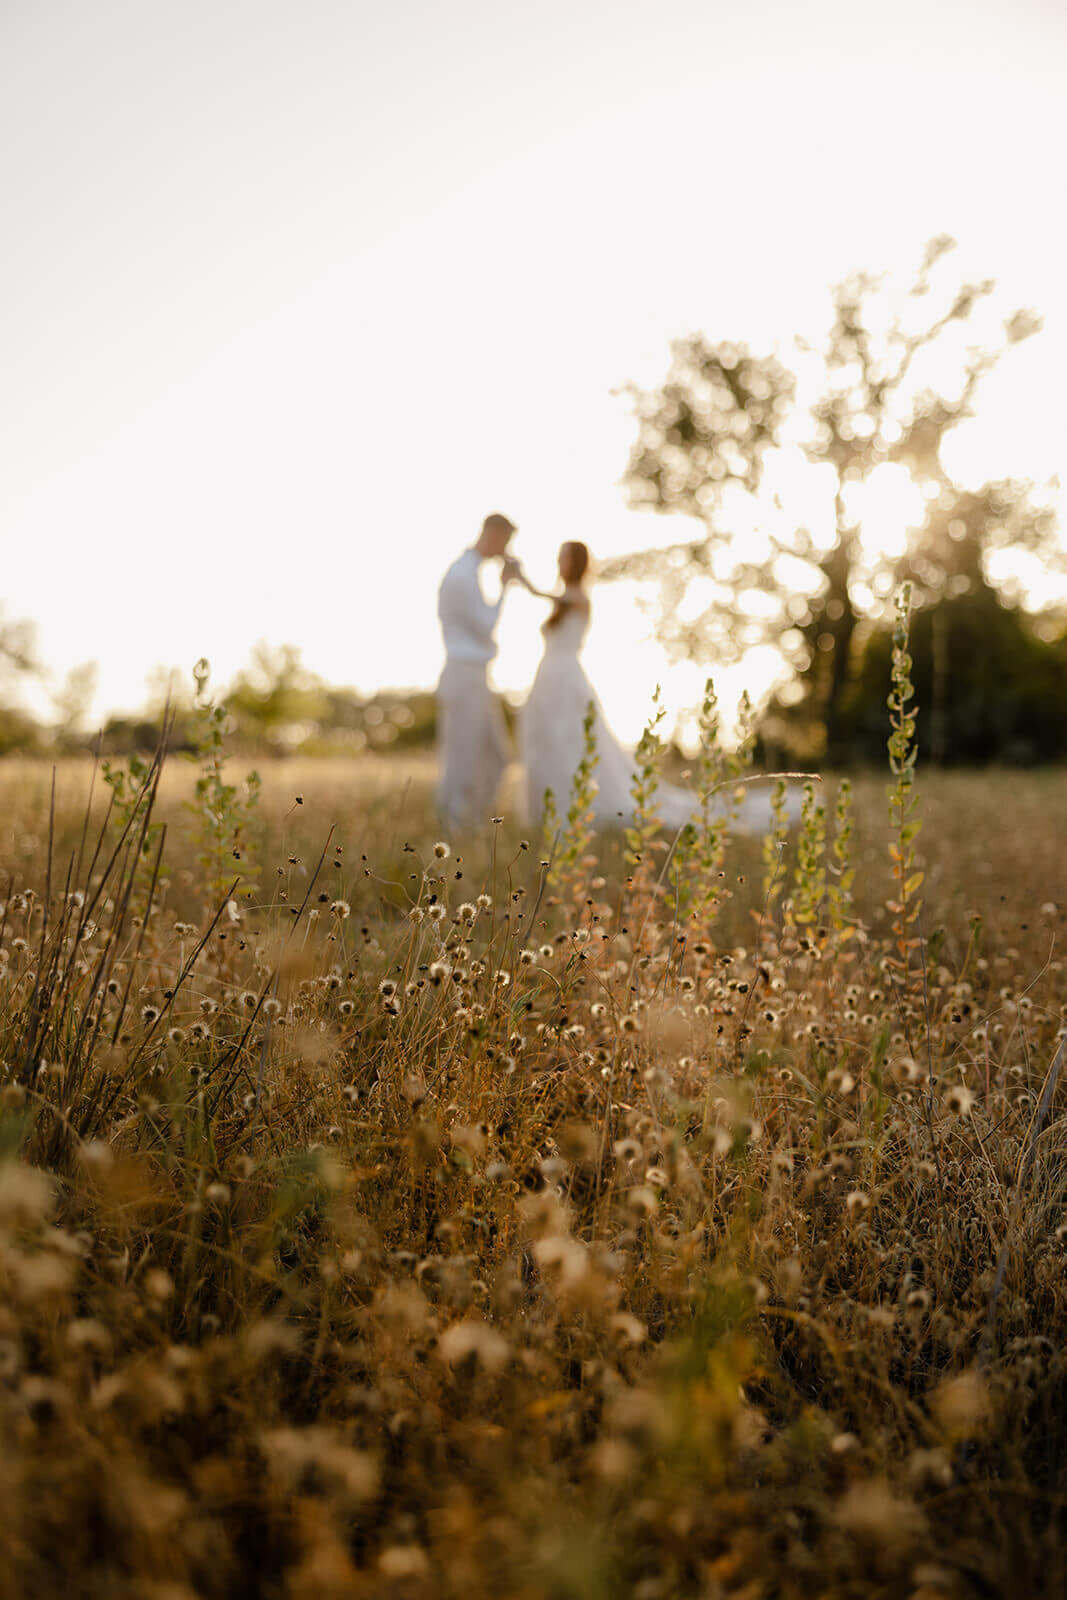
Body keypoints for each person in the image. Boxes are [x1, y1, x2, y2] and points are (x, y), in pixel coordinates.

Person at [518, 541, 794, 832]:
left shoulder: (578, 598)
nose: (559, 563)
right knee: (549, 741)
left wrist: (522, 580)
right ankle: (548, 811)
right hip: (547, 677)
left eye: (564, 557)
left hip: (566, 678)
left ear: (576, 562)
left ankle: (577, 807)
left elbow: (552, 597)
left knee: (574, 741)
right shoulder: (564, 599)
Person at [435, 513, 519, 829]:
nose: (505, 549)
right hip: (463, 674)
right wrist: (505, 588)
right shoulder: (462, 574)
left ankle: (473, 820)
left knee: (497, 756)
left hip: (476, 677)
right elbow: (485, 626)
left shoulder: (469, 571)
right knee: (462, 755)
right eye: (506, 541)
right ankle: (454, 824)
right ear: (493, 534)